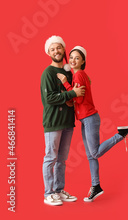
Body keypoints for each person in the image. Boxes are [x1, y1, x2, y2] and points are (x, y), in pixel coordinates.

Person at [56, 46, 128, 202]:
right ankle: (96, 186)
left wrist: (66, 84)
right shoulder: (79, 75)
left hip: (89, 118)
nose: (73, 60)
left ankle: (121, 134)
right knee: (90, 156)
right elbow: (78, 98)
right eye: (71, 57)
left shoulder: (79, 75)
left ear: (83, 61)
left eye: (77, 58)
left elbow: (78, 99)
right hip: (85, 119)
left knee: (95, 153)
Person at [40, 35, 85, 206]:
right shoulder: (47, 73)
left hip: (67, 121)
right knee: (50, 157)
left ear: (64, 49)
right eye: (52, 49)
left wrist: (70, 97)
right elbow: (49, 98)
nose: (56, 51)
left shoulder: (68, 71)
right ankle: (48, 193)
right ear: (48, 53)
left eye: (58, 47)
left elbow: (75, 95)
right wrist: (71, 94)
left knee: (62, 159)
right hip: (53, 122)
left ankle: (58, 190)